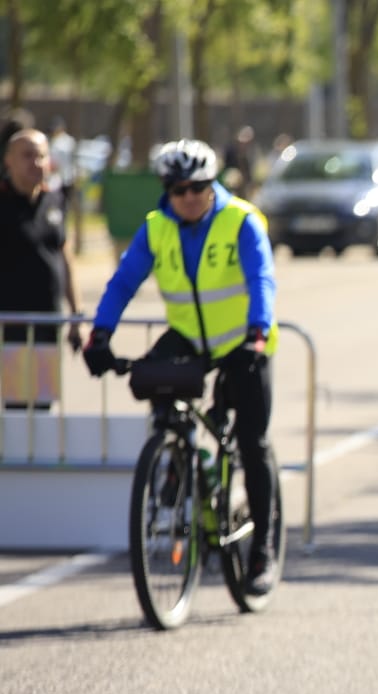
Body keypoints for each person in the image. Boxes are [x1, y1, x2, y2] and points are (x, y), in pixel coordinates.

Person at [83, 139, 281, 595]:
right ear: (166, 191)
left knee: (252, 443)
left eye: (199, 187)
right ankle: (175, 459)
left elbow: (262, 279)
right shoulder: (156, 229)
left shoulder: (241, 222)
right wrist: (101, 335)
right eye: (179, 189)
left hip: (241, 341)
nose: (189, 197)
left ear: (213, 185)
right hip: (189, 337)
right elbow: (123, 281)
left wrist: (257, 332)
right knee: (157, 386)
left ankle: (262, 550)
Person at [0, 129, 81, 411]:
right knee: (17, 409)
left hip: (48, 322)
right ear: (8, 161)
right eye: (27, 156)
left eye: (42, 156)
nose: (36, 163)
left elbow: (64, 256)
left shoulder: (54, 200)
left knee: (42, 408)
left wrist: (75, 313)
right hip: (9, 325)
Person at [221, 125, 261, 201]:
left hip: (245, 182)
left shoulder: (251, 151)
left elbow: (250, 168)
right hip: (232, 179)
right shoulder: (231, 150)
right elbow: (226, 165)